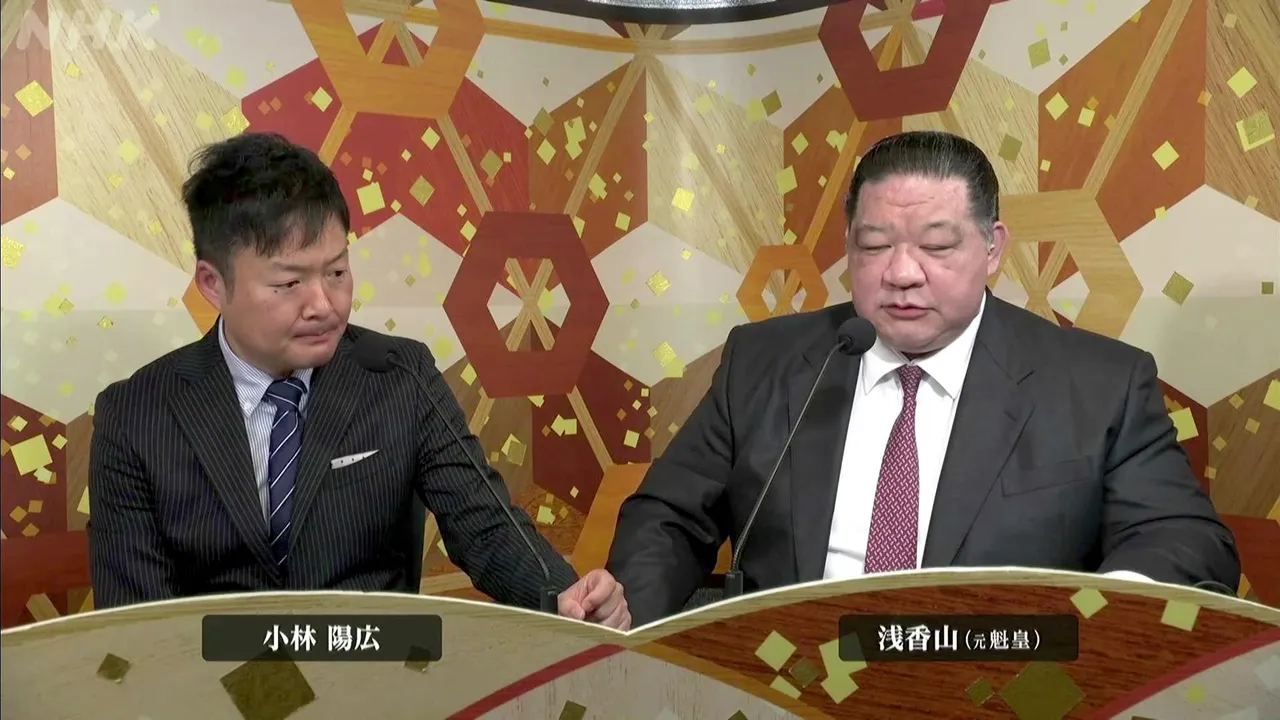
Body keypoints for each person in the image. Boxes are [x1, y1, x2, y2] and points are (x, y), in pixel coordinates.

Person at [607, 130, 1238, 627]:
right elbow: (669, 514)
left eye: (936, 246)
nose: (902, 273)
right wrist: (626, 616)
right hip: (790, 679)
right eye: (874, 245)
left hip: (1002, 683)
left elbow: (1182, 537)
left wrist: (1099, 621)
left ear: (992, 248)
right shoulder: (765, 359)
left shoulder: (1100, 383)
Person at [87, 132, 629, 630]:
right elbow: (139, 624)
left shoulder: (400, 375)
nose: (323, 305)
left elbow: (485, 524)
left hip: (377, 669)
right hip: (215, 683)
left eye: (337, 273)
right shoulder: (135, 415)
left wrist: (565, 599)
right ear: (213, 284)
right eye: (289, 283)